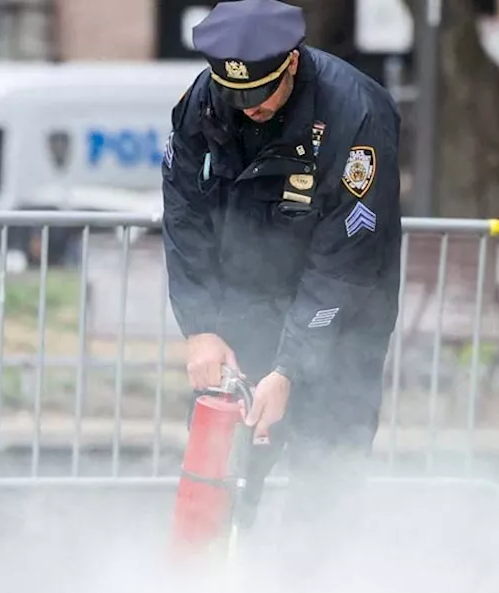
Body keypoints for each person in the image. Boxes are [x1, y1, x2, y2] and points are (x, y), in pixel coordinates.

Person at [161, 0, 403, 555]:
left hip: (344, 317)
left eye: (260, 93)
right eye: (235, 94)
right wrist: (200, 326)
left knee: (327, 477)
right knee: (222, 468)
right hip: (247, 302)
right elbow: (183, 213)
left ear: (291, 63)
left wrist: (290, 367)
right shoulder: (205, 99)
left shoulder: (356, 115)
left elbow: (345, 259)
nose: (248, 108)